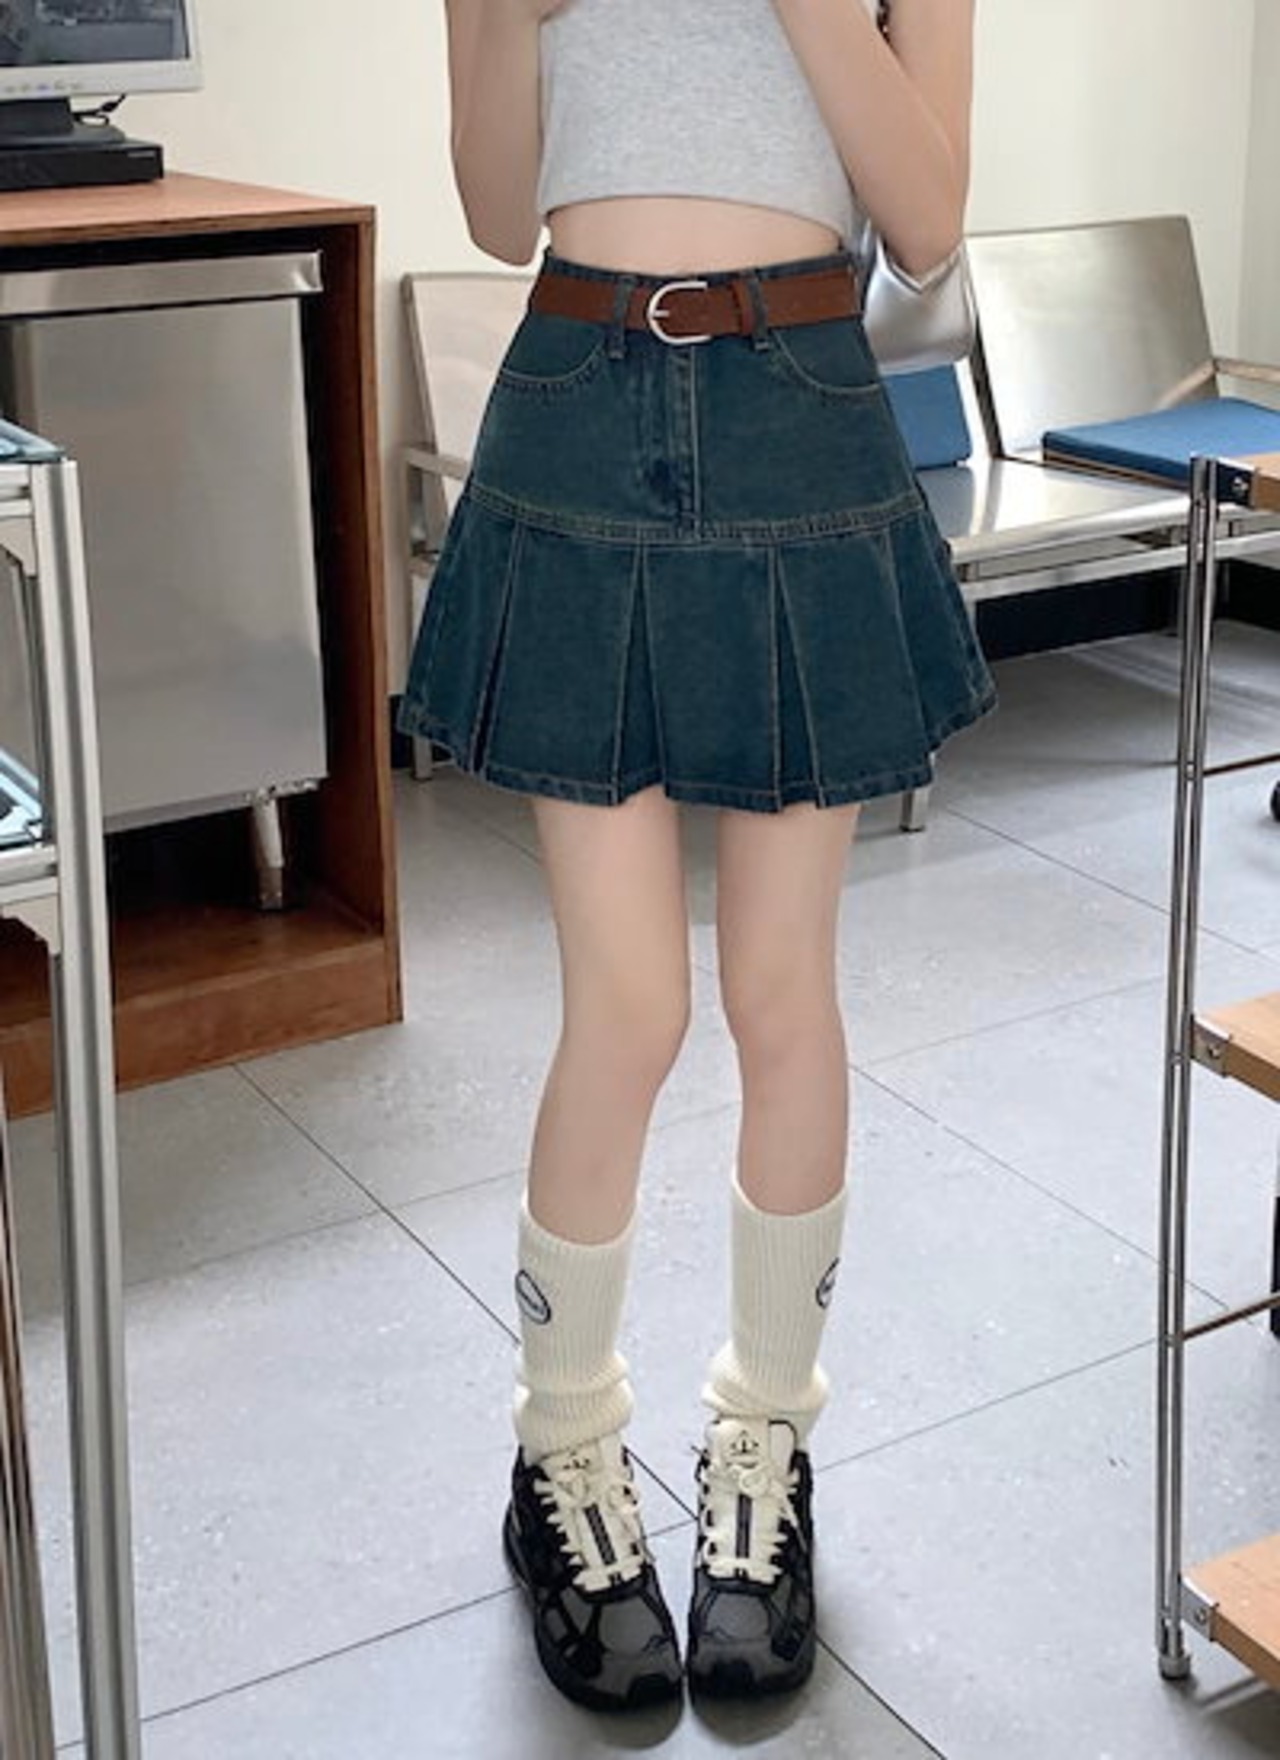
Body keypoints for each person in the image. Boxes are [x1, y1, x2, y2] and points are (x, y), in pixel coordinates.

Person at [401, 0, 995, 1712]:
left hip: (802, 397)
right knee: (630, 1008)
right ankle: (563, 1456)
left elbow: (927, 222)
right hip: (577, 397)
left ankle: (764, 1453)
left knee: (780, 993)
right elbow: (496, 209)